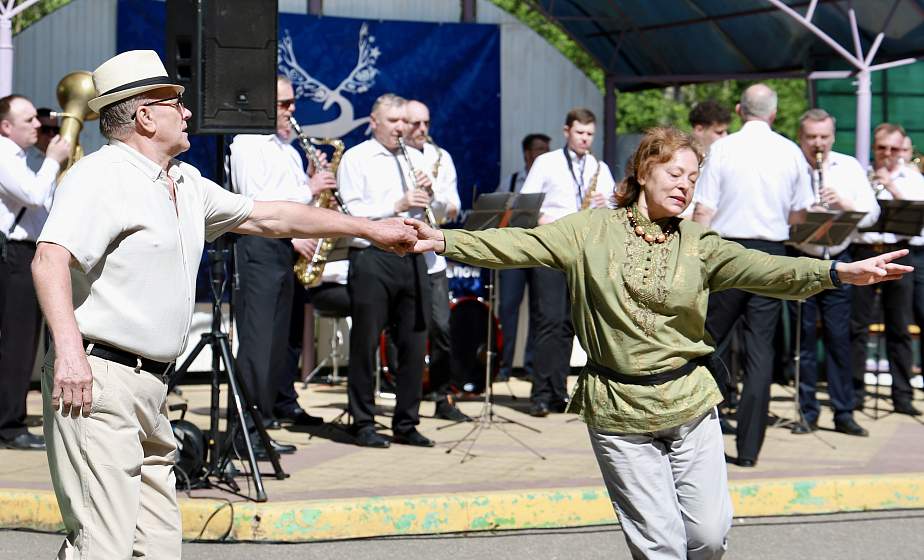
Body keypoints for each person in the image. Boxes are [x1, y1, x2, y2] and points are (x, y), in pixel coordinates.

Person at [406, 126, 911, 560]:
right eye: (676, 174)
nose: (686, 186)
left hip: (690, 400)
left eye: (694, 178)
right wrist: (444, 239)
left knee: (709, 539)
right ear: (644, 171)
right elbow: (520, 243)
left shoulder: (700, 244)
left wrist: (838, 271)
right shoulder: (590, 231)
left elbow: (770, 268)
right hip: (618, 406)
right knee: (661, 547)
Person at [30, 50, 416, 559]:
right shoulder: (100, 176)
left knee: (159, 547)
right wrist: (71, 355)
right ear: (145, 115)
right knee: (103, 547)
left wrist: (370, 228)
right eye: (178, 103)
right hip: (98, 381)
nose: (189, 113)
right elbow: (49, 260)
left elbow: (269, 217)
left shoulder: (183, 182)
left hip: (150, 386)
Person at [692, 83, 813, 467]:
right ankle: (748, 451)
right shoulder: (791, 151)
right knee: (762, 352)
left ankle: (698, 432)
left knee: (707, 341)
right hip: (773, 253)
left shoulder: (723, 149)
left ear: (740, 111)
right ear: (774, 114)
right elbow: (800, 216)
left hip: (727, 250)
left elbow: (703, 211)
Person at [229, 75, 332, 443]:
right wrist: (310, 188)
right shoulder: (246, 143)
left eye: (292, 103)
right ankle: (243, 432)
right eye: (283, 104)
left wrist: (309, 179)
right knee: (256, 343)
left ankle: (264, 422)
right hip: (257, 247)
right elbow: (256, 199)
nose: (292, 111)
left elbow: (293, 203)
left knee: (275, 344)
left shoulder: (287, 149)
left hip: (282, 248)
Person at [337, 93, 436, 448]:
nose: (400, 128)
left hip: (410, 255)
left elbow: (426, 209)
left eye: (403, 122)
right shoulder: (356, 157)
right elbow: (351, 212)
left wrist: (428, 196)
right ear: (374, 122)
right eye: (393, 122)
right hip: (372, 258)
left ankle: (407, 422)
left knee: (413, 341)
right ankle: (362, 421)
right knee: (365, 342)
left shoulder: (413, 156)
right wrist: (398, 203)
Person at [519, 108, 615, 417]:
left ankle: (559, 391)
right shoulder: (547, 163)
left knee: (567, 324)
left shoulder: (598, 168)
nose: (585, 139)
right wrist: (551, 218)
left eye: (589, 135)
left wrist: (606, 204)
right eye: (580, 133)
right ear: (566, 131)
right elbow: (527, 205)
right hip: (550, 247)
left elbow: (615, 209)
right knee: (547, 320)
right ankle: (540, 393)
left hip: (582, 253)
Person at [789, 108, 878, 437]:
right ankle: (808, 412)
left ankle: (844, 412)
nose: (818, 143)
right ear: (801, 137)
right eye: (811, 137)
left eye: (824, 137)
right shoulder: (792, 166)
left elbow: (872, 217)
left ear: (833, 136)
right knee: (804, 342)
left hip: (841, 260)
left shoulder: (849, 166)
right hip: (801, 259)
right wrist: (801, 215)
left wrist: (845, 204)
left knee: (840, 339)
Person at [0, 95, 70, 451]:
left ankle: (11, 418)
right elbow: (32, 194)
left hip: (26, 253)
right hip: (13, 256)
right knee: (17, 343)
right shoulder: (3, 154)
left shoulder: (23, 159)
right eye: (28, 120)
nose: (37, 125)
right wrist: (54, 161)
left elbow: (46, 205)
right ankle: (9, 427)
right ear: (5, 126)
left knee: (25, 342)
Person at [403, 99, 469, 421]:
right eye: (416, 123)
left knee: (442, 327)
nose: (422, 129)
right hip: (401, 252)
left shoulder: (441, 158)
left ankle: (442, 396)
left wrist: (434, 199)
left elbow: (454, 207)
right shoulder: (394, 156)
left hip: (431, 256)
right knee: (407, 331)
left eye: (426, 123)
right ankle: (407, 398)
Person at [851, 123, 924, 416]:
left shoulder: (914, 178)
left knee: (899, 327)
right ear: (874, 148)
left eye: (894, 149)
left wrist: (891, 186)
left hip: (899, 252)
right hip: (866, 251)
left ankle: (902, 396)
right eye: (882, 148)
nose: (888, 154)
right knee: (857, 327)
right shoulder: (860, 175)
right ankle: (854, 393)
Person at [494, 133, 550, 382]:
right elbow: (496, 214)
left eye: (546, 149)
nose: (543, 154)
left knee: (541, 311)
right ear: (527, 153)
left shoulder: (551, 178)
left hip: (540, 251)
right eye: (539, 149)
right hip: (514, 252)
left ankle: (530, 366)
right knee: (508, 308)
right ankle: (504, 367)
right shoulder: (512, 180)